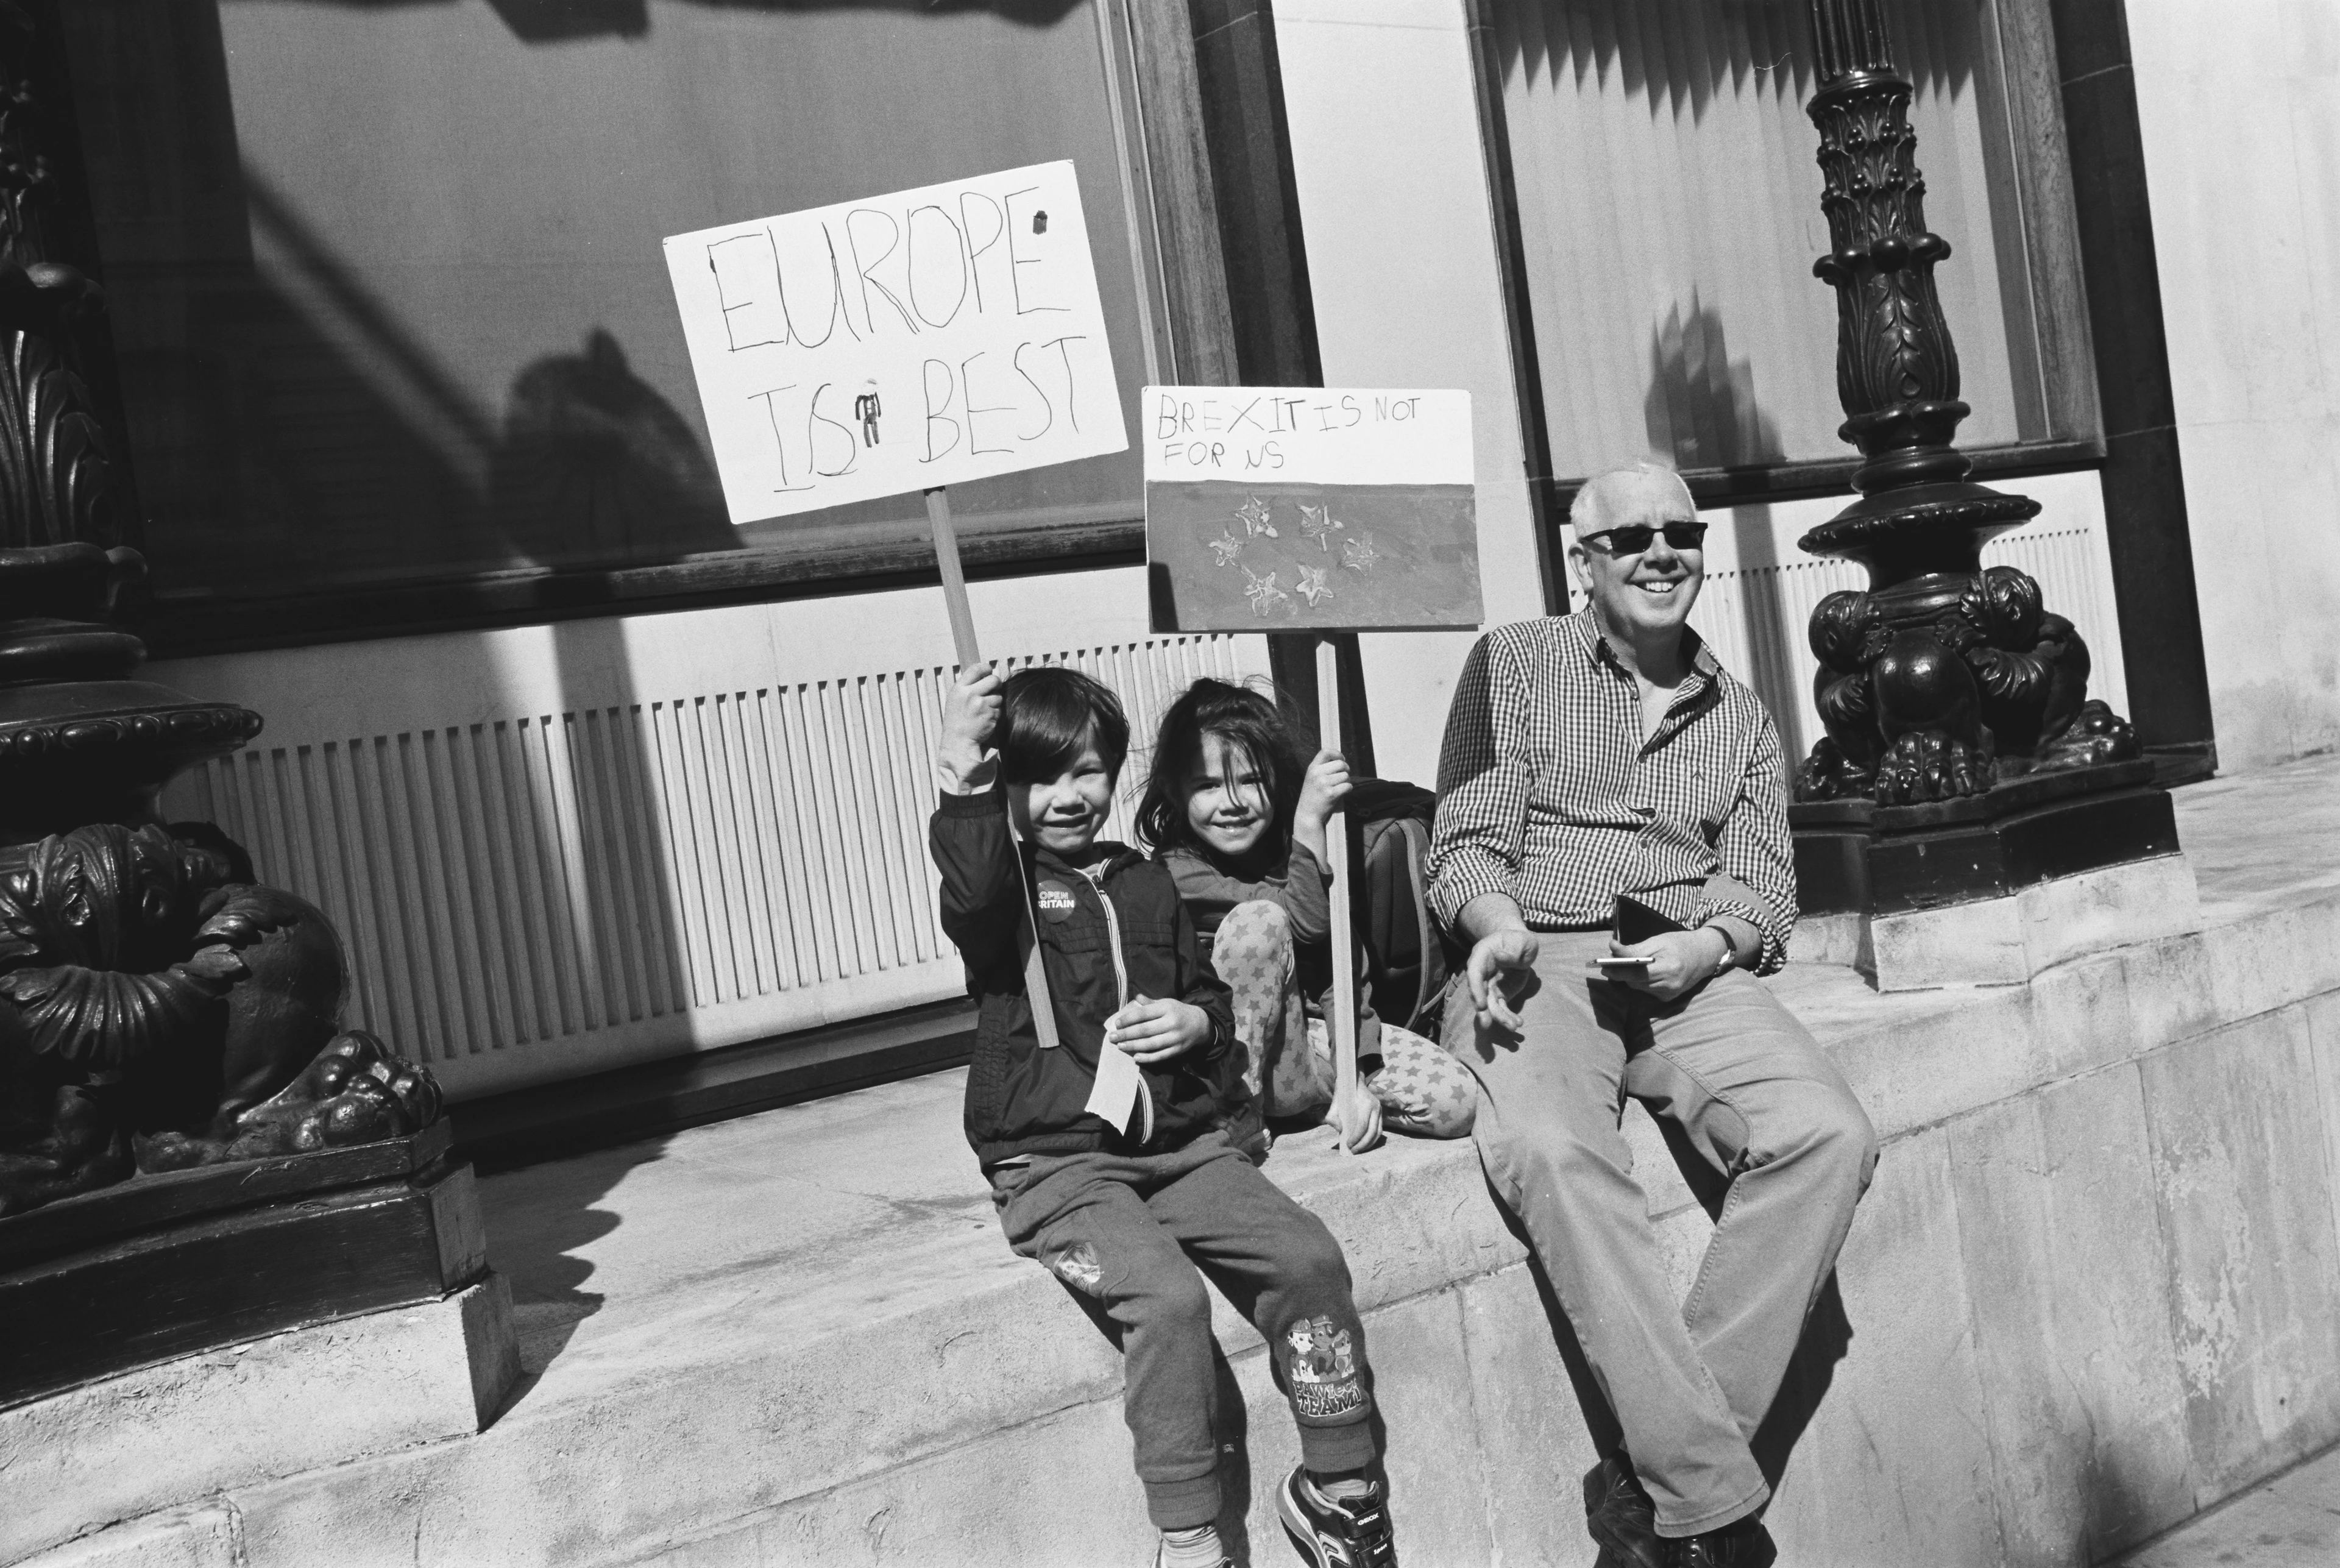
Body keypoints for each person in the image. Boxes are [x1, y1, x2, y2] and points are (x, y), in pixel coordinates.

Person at [1427, 462, 1879, 1568]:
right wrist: (1492, 925)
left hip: (1684, 960)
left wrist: (1709, 944)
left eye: (1680, 530)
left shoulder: (1743, 712)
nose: (1660, 552)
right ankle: (1712, 1509)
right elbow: (1466, 840)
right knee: (1552, 1152)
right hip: (1535, 950)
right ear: (1583, 560)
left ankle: (1649, 1476)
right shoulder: (1513, 663)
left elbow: (1766, 882)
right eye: (1630, 537)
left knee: (1828, 1134)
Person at [929, 660, 1399, 1568]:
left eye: (1091, 770)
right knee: (1169, 1299)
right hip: (1057, 1167)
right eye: (1040, 776)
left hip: (1178, 1147)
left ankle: (1343, 1488)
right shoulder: (1009, 890)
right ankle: (1190, 1537)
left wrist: (1196, 1021)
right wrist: (964, 779)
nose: (1070, 795)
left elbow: (1214, 1012)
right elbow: (973, 893)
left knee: (1306, 1256)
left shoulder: (1141, 880)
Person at [1133, 678, 1475, 1152]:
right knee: (1260, 923)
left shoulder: (1303, 853)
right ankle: (1237, 1118)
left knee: (1456, 1105)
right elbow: (1300, 920)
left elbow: (1340, 970)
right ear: (1173, 792)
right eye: (1208, 785)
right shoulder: (1176, 871)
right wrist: (1308, 822)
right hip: (1229, 1057)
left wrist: (1352, 1078)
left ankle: (1313, 1104)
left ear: (1276, 779)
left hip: (1306, 1044)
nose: (1232, 803)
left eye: (1252, 780)